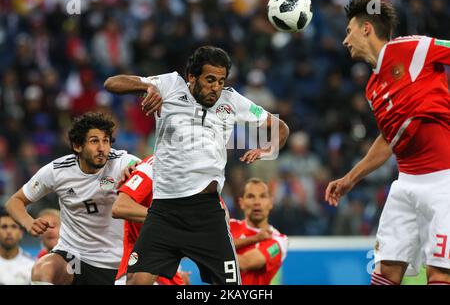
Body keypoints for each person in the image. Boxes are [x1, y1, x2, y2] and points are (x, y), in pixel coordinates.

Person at [104, 45, 290, 285]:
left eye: (221, 81)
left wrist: (269, 150)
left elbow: (280, 127)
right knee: (136, 282)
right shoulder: (169, 84)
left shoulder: (231, 100)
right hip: (164, 212)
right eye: (210, 79)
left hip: (207, 214)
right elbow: (112, 83)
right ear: (192, 76)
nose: (216, 88)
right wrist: (147, 86)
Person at [325, 0, 450, 285]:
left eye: (349, 31)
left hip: (443, 181)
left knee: (440, 273)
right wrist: (350, 179)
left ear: (366, 28)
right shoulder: (372, 87)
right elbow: (388, 139)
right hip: (405, 183)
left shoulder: (411, 48)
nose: (345, 41)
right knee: (385, 272)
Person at [5, 112, 140, 285]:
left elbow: (144, 170)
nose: (102, 148)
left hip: (120, 263)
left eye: (106, 140)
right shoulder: (58, 171)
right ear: (77, 146)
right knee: (43, 269)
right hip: (75, 259)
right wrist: (28, 222)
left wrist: (140, 172)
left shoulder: (122, 162)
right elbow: (14, 201)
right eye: (94, 141)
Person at [111, 155, 187, 285]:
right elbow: (119, 207)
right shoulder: (150, 166)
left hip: (168, 270)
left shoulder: (199, 174)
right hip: (136, 266)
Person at [230, 178, 288, 285]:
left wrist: (213, 251)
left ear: (271, 202)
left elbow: (245, 263)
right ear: (241, 203)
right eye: (251, 196)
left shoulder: (278, 241)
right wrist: (254, 239)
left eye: (263, 196)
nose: (257, 202)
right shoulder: (229, 226)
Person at [0, 209, 34, 285]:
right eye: (4, 227)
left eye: (14, 226)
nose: (8, 231)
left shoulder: (32, 265)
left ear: (21, 233)